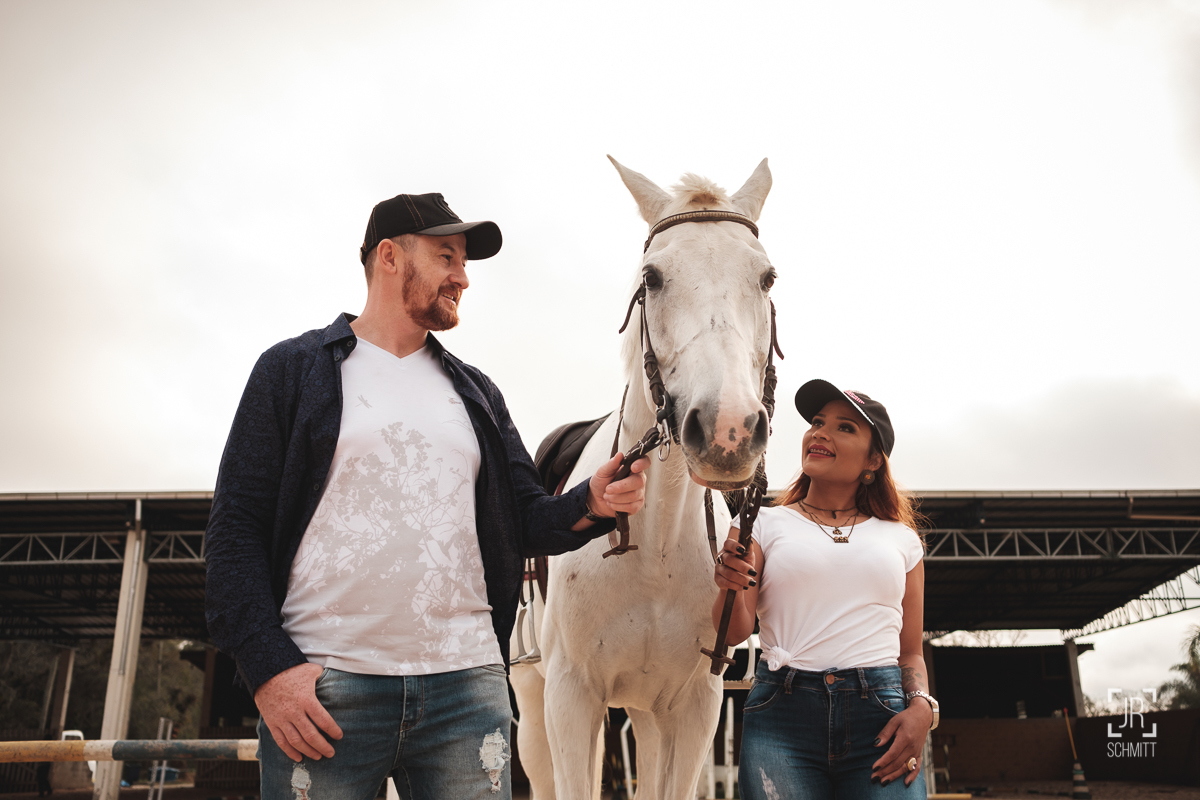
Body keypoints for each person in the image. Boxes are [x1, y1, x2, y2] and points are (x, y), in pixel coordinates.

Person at [204, 192, 651, 800]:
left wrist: (591, 502)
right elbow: (235, 532)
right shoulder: (291, 371)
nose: (463, 277)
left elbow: (524, 520)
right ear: (389, 257)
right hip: (327, 690)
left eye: (463, 262)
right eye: (447, 257)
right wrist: (270, 671)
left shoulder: (476, 392)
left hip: (465, 692)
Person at [712, 379, 936, 799]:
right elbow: (733, 631)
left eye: (844, 427)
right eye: (817, 422)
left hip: (881, 715)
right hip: (782, 714)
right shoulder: (760, 523)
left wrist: (922, 707)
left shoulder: (903, 540)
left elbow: (910, 652)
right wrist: (729, 583)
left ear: (873, 460)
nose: (820, 433)